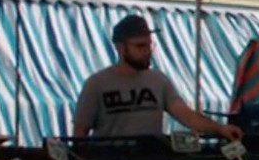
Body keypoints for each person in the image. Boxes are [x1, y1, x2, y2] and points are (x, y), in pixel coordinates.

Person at [74, 15, 242, 140]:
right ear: (119, 47)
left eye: (149, 45)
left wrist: (220, 129)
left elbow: (186, 115)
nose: (147, 51)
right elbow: (80, 133)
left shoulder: (159, 80)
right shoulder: (96, 84)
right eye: (140, 46)